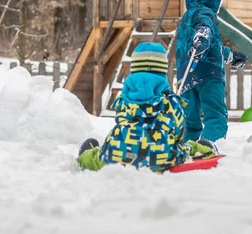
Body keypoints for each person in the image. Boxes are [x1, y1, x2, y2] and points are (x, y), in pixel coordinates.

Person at [77, 42, 218, 172]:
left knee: (98, 157)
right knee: (188, 147)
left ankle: (87, 154)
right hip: (162, 158)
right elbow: (179, 132)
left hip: (121, 155)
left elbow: (121, 122)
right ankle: (206, 148)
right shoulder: (171, 102)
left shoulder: (124, 99)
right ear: (163, 71)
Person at [176, 0, 248, 142]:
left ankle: (186, 146)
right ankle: (209, 144)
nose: (219, 3)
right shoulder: (206, 12)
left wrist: (230, 56)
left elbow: (209, 47)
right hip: (209, 75)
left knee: (190, 121)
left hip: (186, 77)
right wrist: (203, 36)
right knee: (215, 115)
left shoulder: (185, 19)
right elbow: (205, 28)